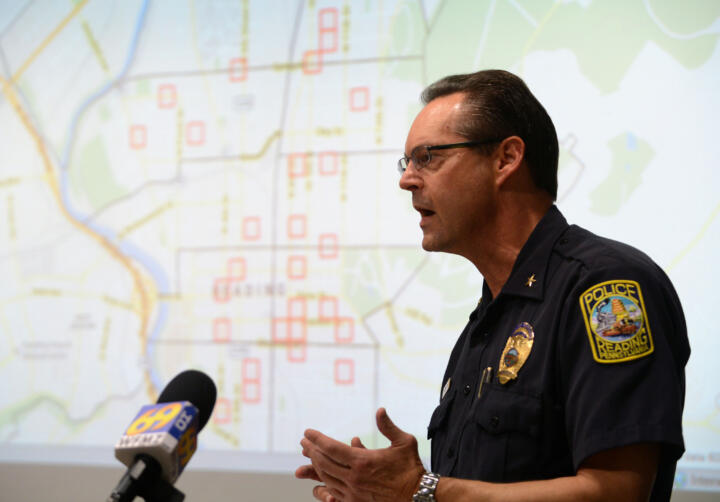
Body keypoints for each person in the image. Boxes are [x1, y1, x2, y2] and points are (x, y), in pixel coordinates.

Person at [295, 70, 689, 502]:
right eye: (406, 162)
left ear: (506, 159)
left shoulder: (605, 287)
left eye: (428, 157)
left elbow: (617, 492)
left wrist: (419, 490)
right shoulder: (484, 325)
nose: (406, 179)